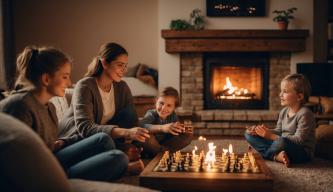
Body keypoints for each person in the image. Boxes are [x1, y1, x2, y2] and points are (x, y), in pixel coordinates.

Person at [0, 46, 128, 181]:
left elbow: (47, 147)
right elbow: (17, 162)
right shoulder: (20, 106)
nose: (70, 83)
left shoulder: (49, 107)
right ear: (46, 79)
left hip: (50, 160)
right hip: (38, 173)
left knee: (103, 140)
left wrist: (63, 142)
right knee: (118, 159)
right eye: (65, 77)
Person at [59, 42, 150, 173]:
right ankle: (122, 161)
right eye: (120, 65)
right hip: (76, 139)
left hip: (103, 134)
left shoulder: (121, 87)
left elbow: (132, 121)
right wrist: (126, 133)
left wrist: (131, 143)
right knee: (105, 140)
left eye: (125, 66)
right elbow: (85, 128)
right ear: (105, 63)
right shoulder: (85, 86)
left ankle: (124, 155)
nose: (124, 70)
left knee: (129, 114)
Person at [244, 74, 316, 167]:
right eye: (281, 91)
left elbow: (298, 140)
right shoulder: (284, 111)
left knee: (281, 142)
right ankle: (276, 156)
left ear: (299, 97)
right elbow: (279, 131)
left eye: (285, 91)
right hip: (281, 144)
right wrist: (263, 132)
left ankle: (270, 156)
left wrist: (271, 136)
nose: (280, 94)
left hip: (301, 152)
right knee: (248, 134)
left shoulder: (305, 114)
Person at [140, 87, 193, 156]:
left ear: (174, 108)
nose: (164, 108)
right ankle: (164, 153)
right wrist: (163, 128)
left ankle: (163, 152)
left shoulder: (173, 115)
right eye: (161, 103)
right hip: (152, 144)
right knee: (146, 137)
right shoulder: (151, 114)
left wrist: (182, 129)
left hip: (165, 143)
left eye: (169, 105)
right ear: (156, 102)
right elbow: (142, 126)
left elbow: (175, 134)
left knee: (189, 134)